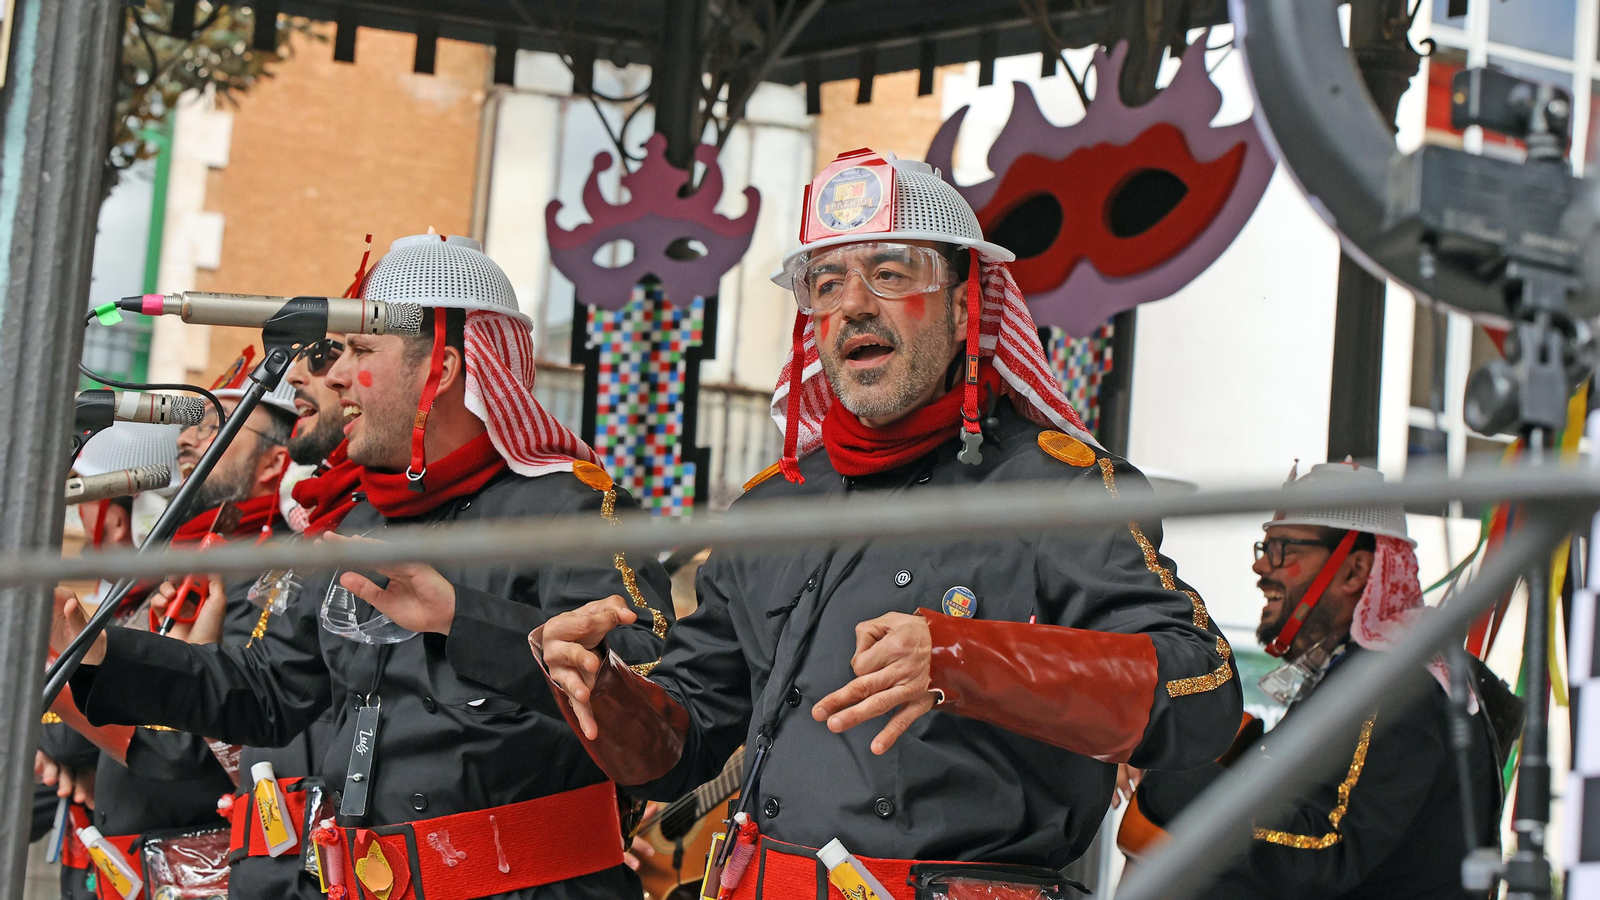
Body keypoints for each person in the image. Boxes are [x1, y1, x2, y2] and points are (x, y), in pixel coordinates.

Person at [535, 149, 1242, 899]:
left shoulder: (1059, 490)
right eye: (827, 282)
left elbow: (1204, 697)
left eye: (892, 273)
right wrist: (601, 689)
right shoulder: (773, 507)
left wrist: (967, 659)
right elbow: (683, 748)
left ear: (967, 306)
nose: (855, 305)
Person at [54, 233, 675, 900]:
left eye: (361, 350)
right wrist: (94, 653)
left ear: (438, 372)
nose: (337, 375)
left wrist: (463, 619)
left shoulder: (579, 513)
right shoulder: (360, 522)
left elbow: (654, 690)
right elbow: (265, 691)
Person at [1137, 462, 1517, 899]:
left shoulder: (1394, 685)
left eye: (1284, 549)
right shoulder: (1370, 671)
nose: (1261, 565)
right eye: (1265, 546)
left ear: (1355, 572)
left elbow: (1322, 852)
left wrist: (1163, 773)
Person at [44, 369, 299, 900]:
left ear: (275, 461)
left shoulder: (263, 572)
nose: (187, 439)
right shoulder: (185, 565)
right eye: (194, 427)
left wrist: (56, 705)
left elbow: (188, 746)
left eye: (216, 428)